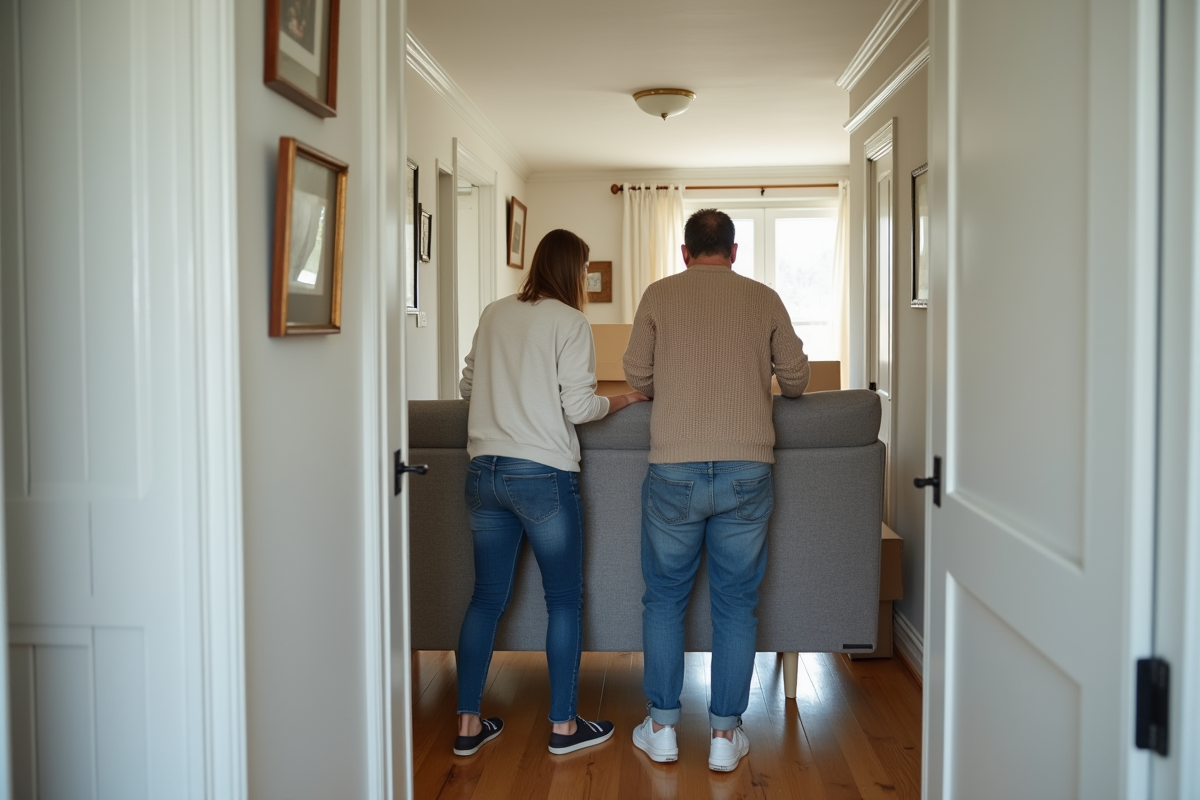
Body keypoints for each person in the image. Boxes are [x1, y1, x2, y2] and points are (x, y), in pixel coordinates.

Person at [623, 209, 810, 771]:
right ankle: (725, 738)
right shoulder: (764, 297)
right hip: (747, 470)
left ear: (685, 252)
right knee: (736, 604)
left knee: (664, 600)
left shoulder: (659, 294)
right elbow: (797, 382)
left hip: (674, 470)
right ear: (734, 251)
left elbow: (637, 376)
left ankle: (661, 728)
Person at [454, 228, 649, 758]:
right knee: (562, 599)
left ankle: (467, 726)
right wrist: (627, 398)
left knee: (485, 598)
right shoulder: (570, 321)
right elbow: (580, 409)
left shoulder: (494, 312)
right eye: (584, 270)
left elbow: (468, 389)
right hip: (541, 474)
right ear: (572, 271)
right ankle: (564, 727)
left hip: (483, 472)